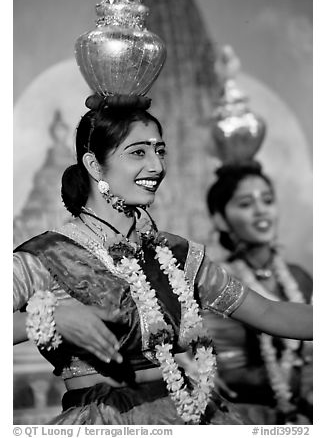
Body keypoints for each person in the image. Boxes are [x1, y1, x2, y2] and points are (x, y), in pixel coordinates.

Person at [13, 95, 312, 425]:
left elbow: (270, 312)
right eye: (138, 152)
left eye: (160, 151)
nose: (157, 166)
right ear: (95, 165)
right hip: (106, 421)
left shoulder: (174, 254)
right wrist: (49, 320)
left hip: (189, 414)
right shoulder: (48, 255)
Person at [205, 161, 313, 424]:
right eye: (245, 204)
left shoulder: (298, 276)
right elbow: (228, 376)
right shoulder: (217, 282)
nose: (261, 211)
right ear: (220, 218)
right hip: (245, 416)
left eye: (267, 200)